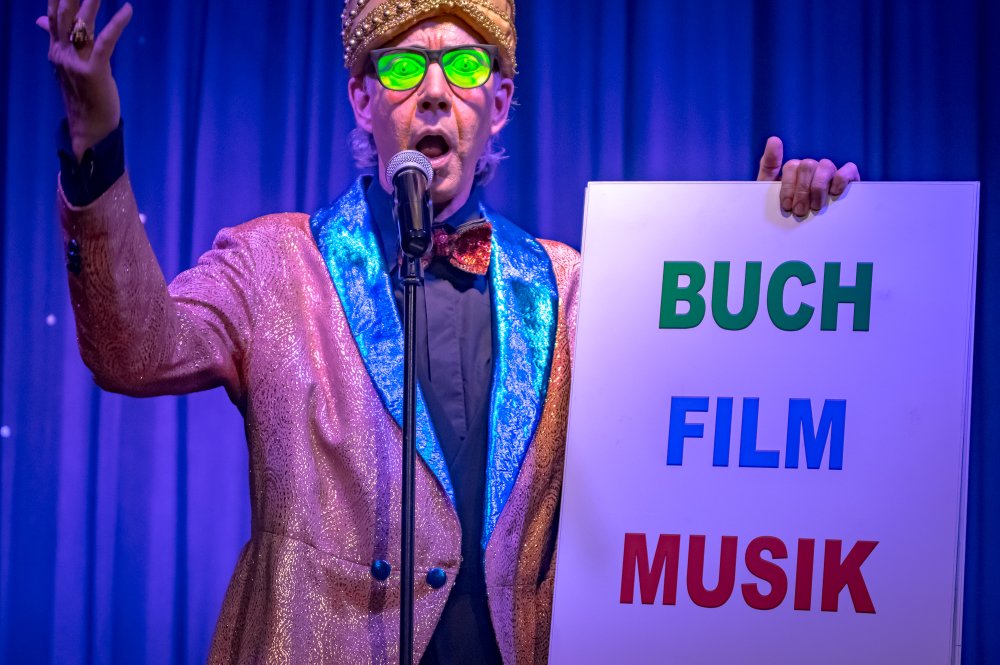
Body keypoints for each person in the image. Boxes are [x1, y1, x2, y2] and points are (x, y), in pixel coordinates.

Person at [38, 0, 860, 662]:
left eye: (464, 66)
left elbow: (699, 428)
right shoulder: (272, 263)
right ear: (362, 99)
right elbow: (133, 349)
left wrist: (769, 243)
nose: (434, 91)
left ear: (497, 105)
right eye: (403, 66)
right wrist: (94, 144)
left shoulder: (572, 289)